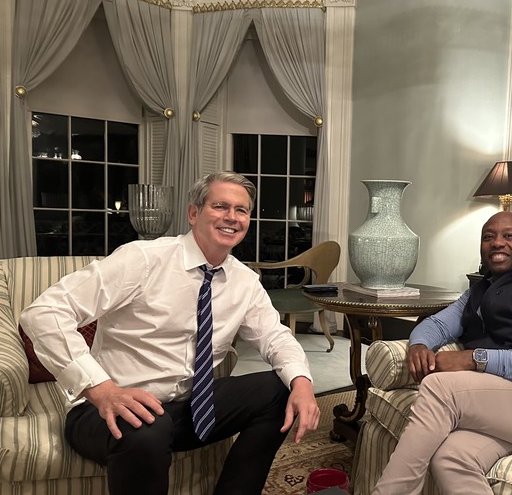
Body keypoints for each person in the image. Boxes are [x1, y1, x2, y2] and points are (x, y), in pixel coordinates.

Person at [20, 171, 320, 495]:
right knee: (147, 427)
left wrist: (302, 383)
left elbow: (274, 336)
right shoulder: (144, 259)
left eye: (241, 210)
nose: (231, 218)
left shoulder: (244, 281)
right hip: (105, 412)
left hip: (185, 409)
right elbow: (43, 313)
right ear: (194, 213)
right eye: (220, 206)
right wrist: (101, 389)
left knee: (280, 388)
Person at [372, 211, 512, 495]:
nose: (497, 243)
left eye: (509, 236)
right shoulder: (480, 291)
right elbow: (438, 324)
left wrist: (473, 358)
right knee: (452, 457)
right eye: (489, 237)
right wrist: (419, 344)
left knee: (441, 387)